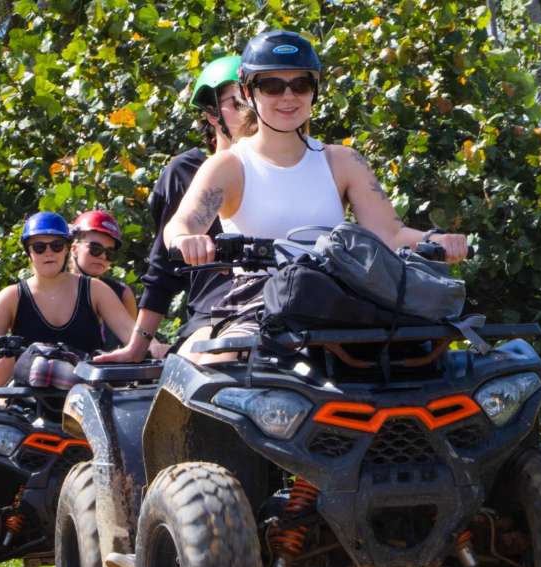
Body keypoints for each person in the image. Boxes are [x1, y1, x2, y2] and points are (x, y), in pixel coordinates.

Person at [163, 31, 468, 361]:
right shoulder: (229, 165)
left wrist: (437, 240)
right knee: (217, 370)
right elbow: (181, 225)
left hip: (336, 301)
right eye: (272, 86)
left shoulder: (343, 161)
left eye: (301, 84)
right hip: (258, 303)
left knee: (422, 362)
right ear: (249, 93)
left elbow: (390, 234)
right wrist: (187, 240)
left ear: (314, 91)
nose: (288, 96)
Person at [97, 55, 258, 364]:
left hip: (287, 304)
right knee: (204, 376)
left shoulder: (287, 163)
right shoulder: (187, 171)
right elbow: (163, 270)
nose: (250, 111)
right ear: (212, 115)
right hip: (215, 314)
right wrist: (137, 346)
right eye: (237, 103)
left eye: (254, 98)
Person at [0, 212, 136, 403]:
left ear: (67, 249)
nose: (48, 253)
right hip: (26, 406)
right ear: (29, 252)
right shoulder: (11, 296)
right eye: (39, 247)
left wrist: (157, 347)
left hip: (85, 404)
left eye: (56, 246)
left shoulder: (96, 289)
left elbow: (133, 336)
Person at [69, 210, 138, 349]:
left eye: (109, 253)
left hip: (106, 369)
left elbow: (134, 345)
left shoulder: (122, 293)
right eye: (95, 249)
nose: (102, 256)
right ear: (74, 249)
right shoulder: (53, 288)